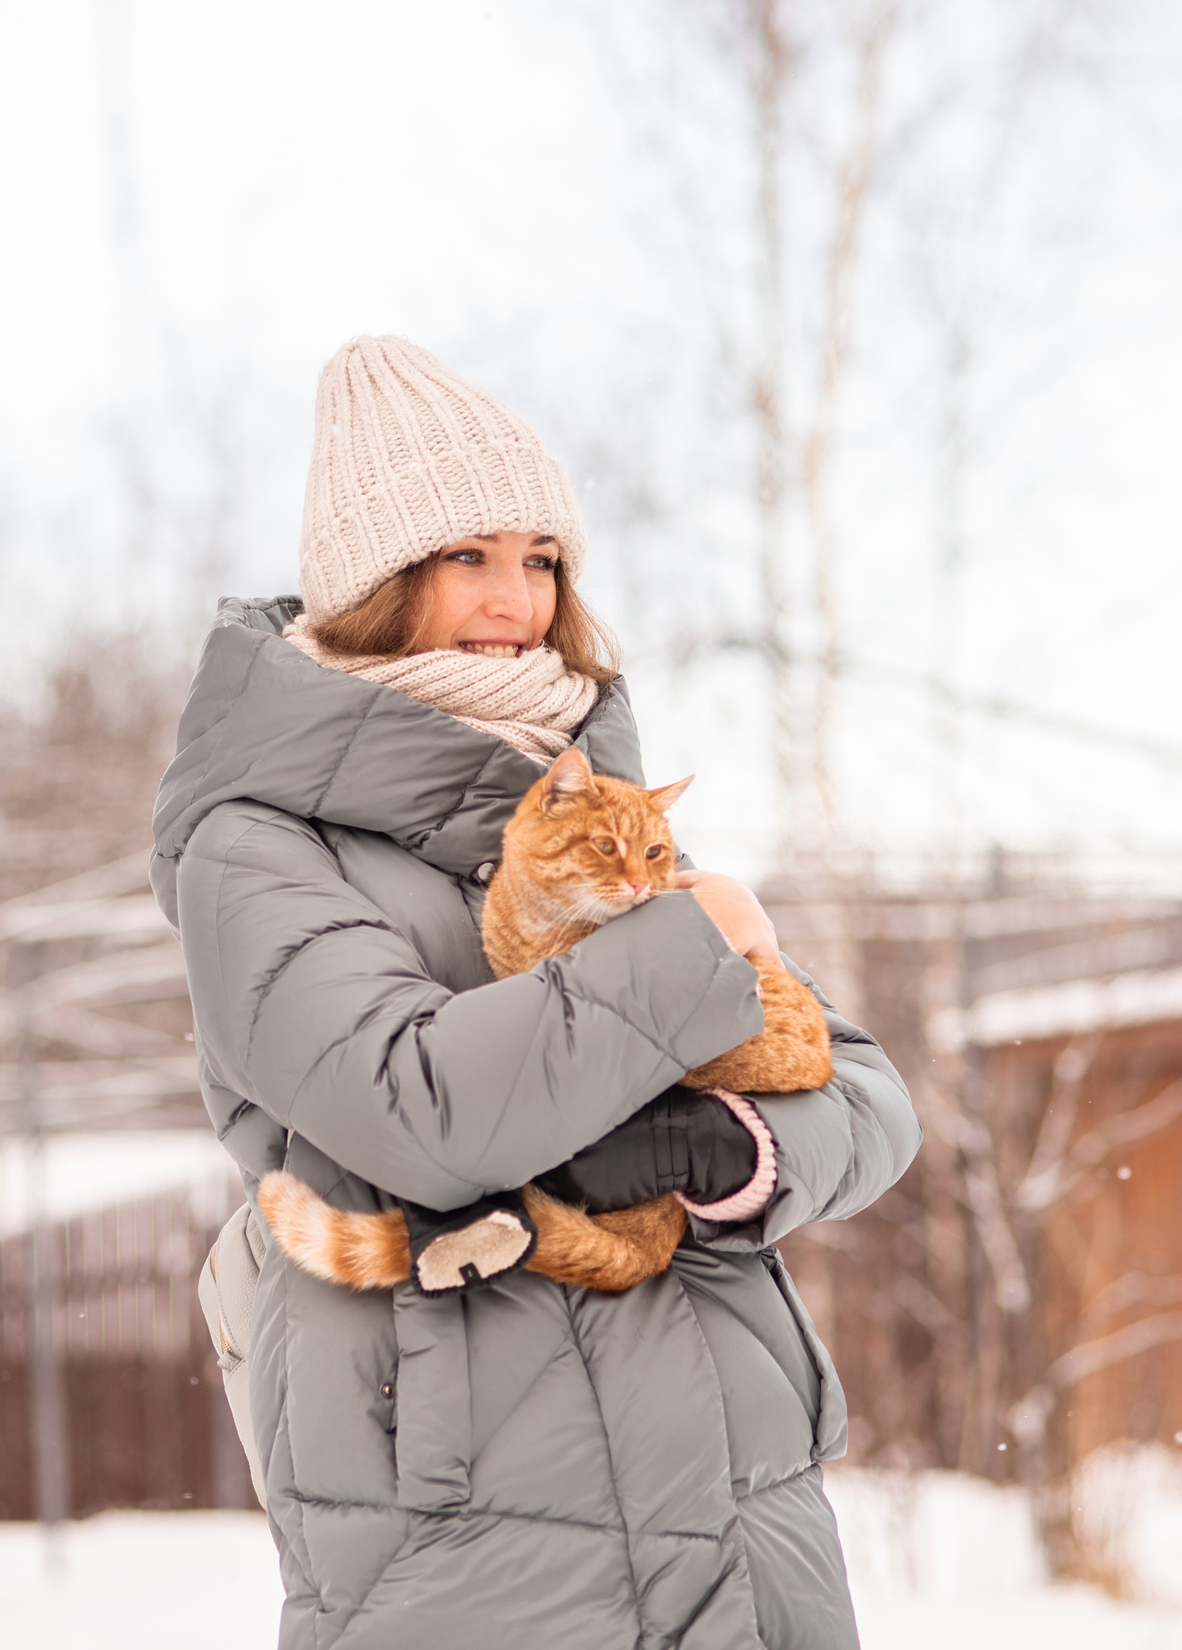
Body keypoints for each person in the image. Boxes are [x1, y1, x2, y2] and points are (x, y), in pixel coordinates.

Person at [153, 336, 919, 1649]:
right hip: (480, 1539)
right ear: (376, 575)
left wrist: (735, 1150)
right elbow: (417, 1102)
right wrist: (698, 946)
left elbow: (869, 1096)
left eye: (541, 557)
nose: (515, 593)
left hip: (738, 1515)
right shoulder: (259, 844)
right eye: (467, 554)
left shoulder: (603, 809)